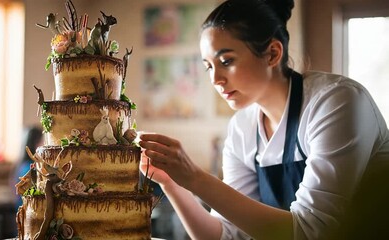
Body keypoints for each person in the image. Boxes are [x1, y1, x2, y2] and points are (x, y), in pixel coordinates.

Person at [139, 0, 389, 239]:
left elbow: (311, 232)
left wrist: (195, 177)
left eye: (226, 61)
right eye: (209, 66)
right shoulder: (242, 127)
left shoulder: (335, 103)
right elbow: (224, 235)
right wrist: (171, 182)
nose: (215, 80)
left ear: (272, 53)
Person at [11, 126, 43, 208]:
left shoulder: (22, 164)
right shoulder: (28, 167)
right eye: (42, 141)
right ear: (35, 143)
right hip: (27, 209)